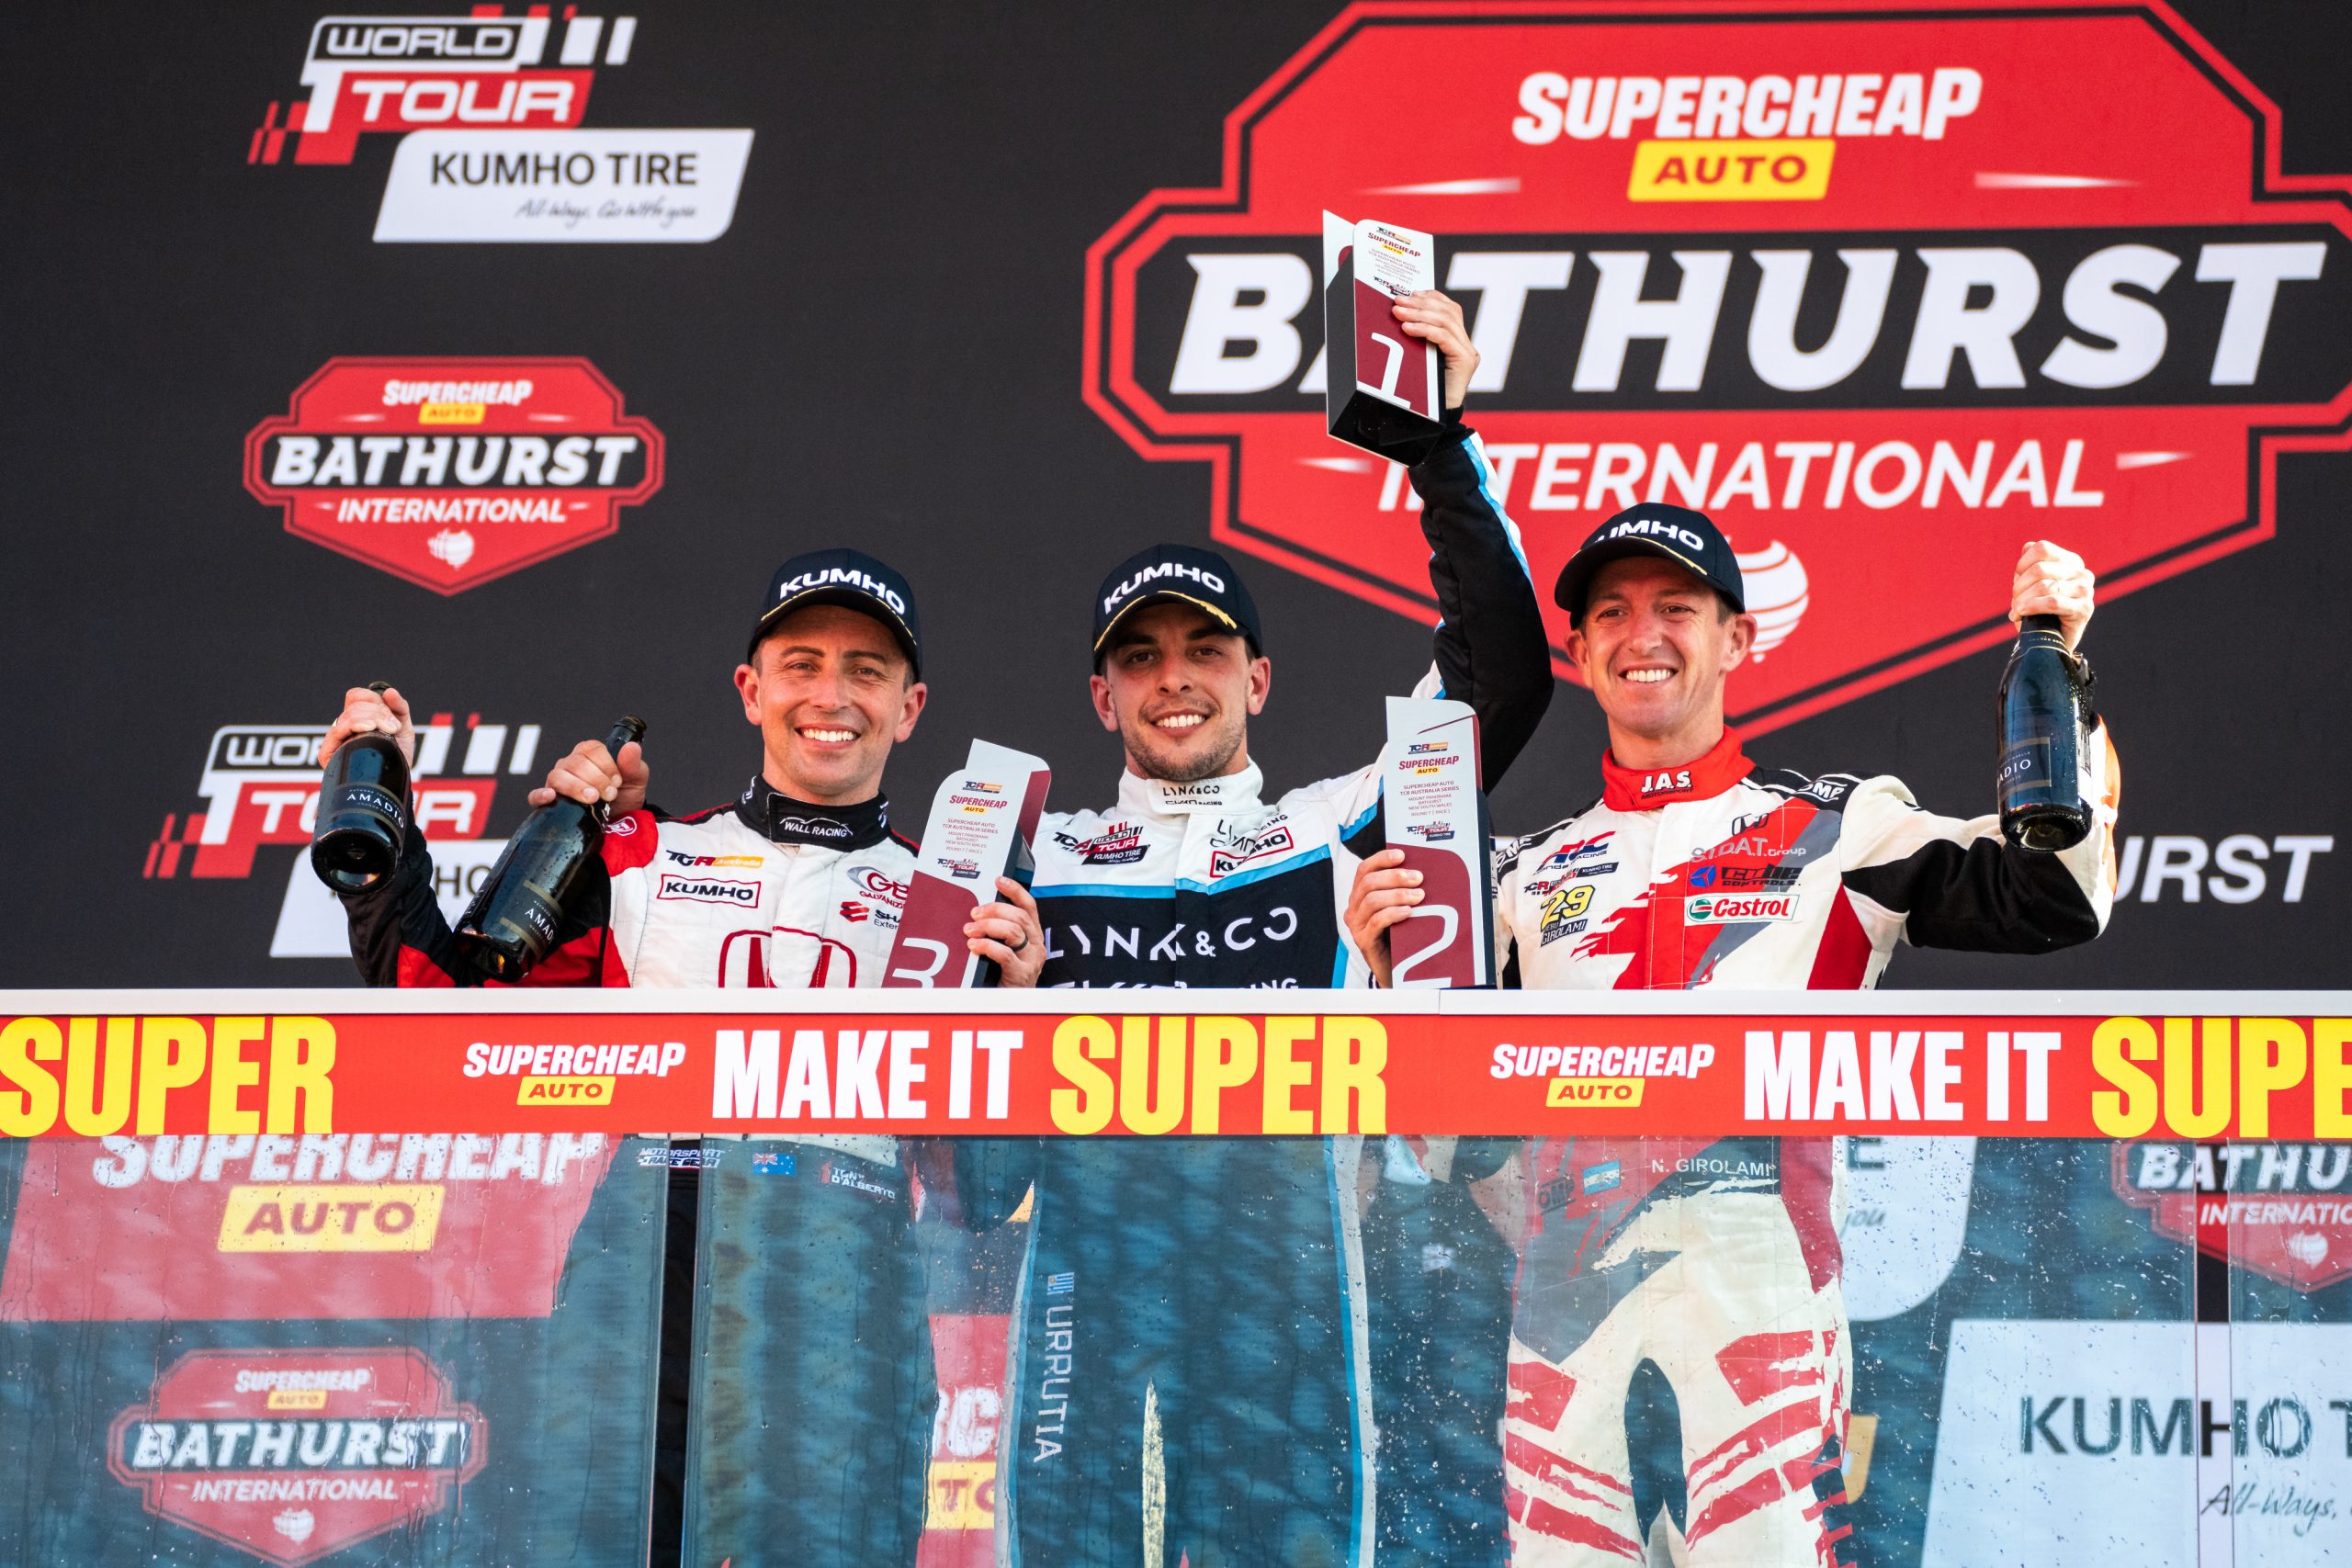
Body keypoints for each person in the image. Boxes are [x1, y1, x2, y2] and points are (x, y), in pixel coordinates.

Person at [1346, 507, 2119, 1566]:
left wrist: (2051, 661)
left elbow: (2049, 895)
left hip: (1763, 1291)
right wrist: (1400, 988)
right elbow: (1456, 1149)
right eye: (1610, 613)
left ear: (1738, 640)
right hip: (1563, 1315)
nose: (1641, 634)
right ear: (1577, 652)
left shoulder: (1839, 831)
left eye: (1676, 608)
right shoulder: (1517, 880)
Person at [950, 289, 1553, 1567]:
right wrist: (998, 1005)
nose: (1176, 675)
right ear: (1102, 692)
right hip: (1086, 1297)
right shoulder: (1034, 861)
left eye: (1207, 648)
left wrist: (1440, 445)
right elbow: (978, 1180)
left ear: (1257, 679)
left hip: (1288, 1290)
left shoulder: (1335, 829)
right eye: (1144, 653)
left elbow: (1503, 671)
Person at [322, 547, 1045, 1568]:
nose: (830, 695)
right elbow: (443, 1000)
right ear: (751, 690)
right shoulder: (641, 853)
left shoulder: (956, 911)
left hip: (847, 1278)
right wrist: (379, 798)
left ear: (911, 705)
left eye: (866, 670)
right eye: (800, 664)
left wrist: (1008, 1024)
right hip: (646, 1260)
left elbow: (983, 1192)